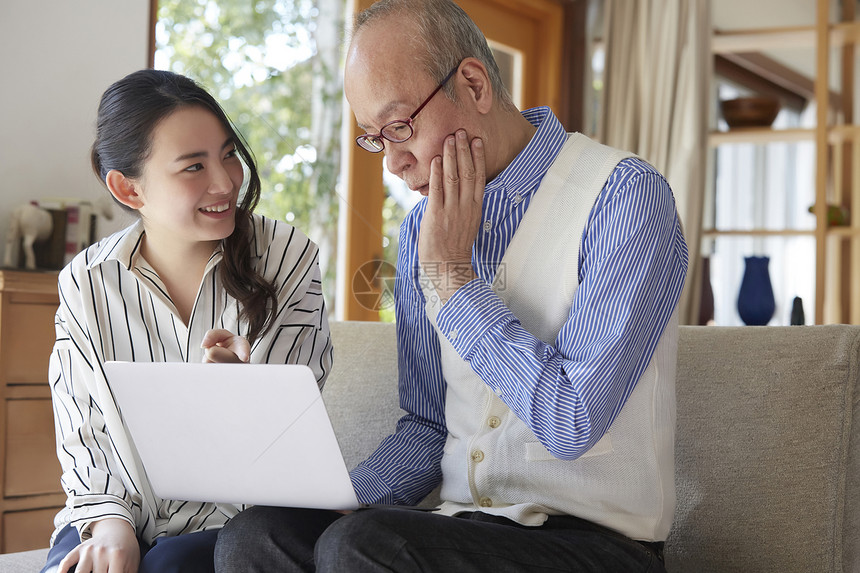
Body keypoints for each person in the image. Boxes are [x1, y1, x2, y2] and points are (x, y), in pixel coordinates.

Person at [215, 0, 688, 571]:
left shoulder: (625, 198)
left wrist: (453, 280)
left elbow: (572, 422)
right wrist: (340, 502)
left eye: (400, 126)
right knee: (255, 534)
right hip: (457, 531)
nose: (393, 162)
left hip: (600, 544)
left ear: (473, 84)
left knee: (359, 547)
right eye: (374, 138)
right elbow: (427, 425)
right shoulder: (419, 228)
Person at [42, 69, 333, 573]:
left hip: (239, 522)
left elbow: (288, 440)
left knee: (170, 565)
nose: (225, 182)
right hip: (115, 510)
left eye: (227, 154)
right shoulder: (87, 282)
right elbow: (83, 430)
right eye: (193, 166)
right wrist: (113, 527)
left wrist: (241, 390)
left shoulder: (288, 257)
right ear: (129, 190)